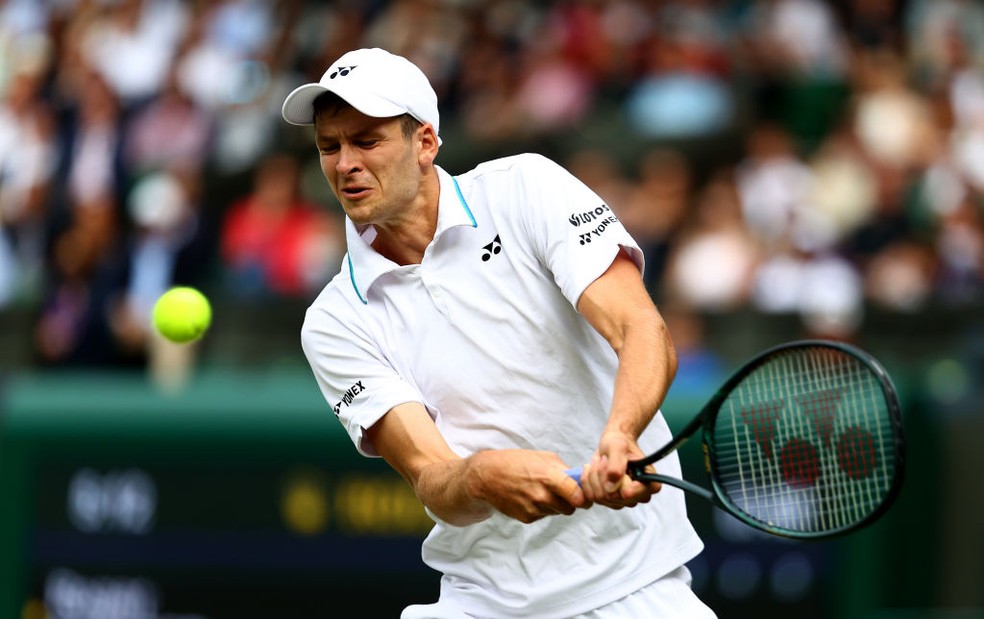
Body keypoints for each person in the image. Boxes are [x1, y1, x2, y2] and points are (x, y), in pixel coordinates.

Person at [282, 47, 713, 619]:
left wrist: (621, 434)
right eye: (329, 147)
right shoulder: (334, 321)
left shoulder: (527, 188)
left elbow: (641, 327)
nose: (345, 164)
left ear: (426, 144)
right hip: (482, 602)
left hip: (636, 586)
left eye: (367, 141)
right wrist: (481, 476)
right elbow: (432, 477)